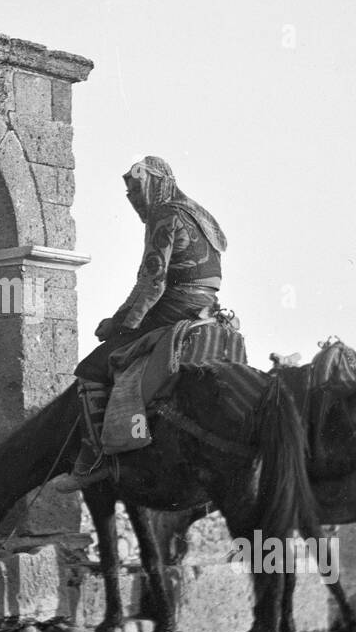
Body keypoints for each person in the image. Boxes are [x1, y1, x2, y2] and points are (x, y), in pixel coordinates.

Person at [55, 156, 228, 492]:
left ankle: (93, 461)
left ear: (155, 184)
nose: (132, 198)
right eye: (128, 192)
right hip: (206, 303)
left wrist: (120, 325)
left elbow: (152, 282)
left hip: (177, 302)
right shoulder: (195, 212)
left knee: (91, 368)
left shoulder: (165, 214)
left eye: (136, 188)